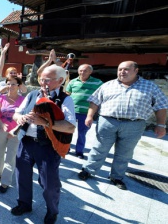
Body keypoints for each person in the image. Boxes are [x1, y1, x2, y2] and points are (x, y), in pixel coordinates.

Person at [78, 61, 168, 190]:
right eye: (120, 69)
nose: (122, 72)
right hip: (107, 122)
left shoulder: (150, 87)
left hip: (134, 124)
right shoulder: (108, 85)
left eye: (126, 69)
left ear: (136, 70)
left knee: (124, 153)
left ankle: (117, 177)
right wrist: (90, 116)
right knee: (99, 148)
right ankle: (88, 170)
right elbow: (94, 101)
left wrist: (161, 125)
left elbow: (161, 106)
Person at [12, 65, 76, 224]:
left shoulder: (65, 99)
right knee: (22, 177)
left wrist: (45, 122)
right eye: (41, 78)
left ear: (60, 80)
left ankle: (52, 211)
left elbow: (70, 126)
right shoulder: (32, 94)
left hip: (48, 146)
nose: (42, 82)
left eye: (47, 79)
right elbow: (16, 112)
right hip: (26, 142)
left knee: (49, 183)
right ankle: (24, 204)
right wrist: (19, 118)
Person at [0, 75, 24, 193]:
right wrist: (1, 124)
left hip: (16, 132)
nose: (10, 86)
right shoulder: (1, 98)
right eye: (8, 84)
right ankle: (0, 173)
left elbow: (24, 117)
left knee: (11, 158)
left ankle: (5, 182)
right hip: (0, 130)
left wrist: (15, 130)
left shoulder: (22, 100)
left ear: (19, 86)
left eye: (14, 84)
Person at [65, 64, 103, 159]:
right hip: (72, 111)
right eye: (81, 70)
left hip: (86, 113)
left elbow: (103, 94)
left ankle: (79, 151)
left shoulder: (97, 83)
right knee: (68, 131)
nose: (82, 72)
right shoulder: (73, 82)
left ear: (90, 72)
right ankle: (66, 148)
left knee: (82, 133)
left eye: (85, 71)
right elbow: (67, 94)